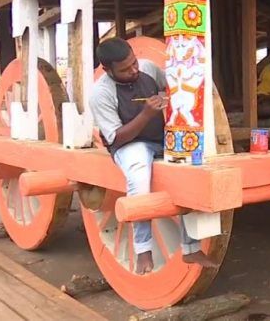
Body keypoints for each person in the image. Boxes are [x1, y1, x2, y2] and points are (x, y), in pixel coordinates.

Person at [89, 38, 217, 274]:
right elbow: (116, 138)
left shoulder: (147, 68)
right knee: (138, 177)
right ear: (107, 71)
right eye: (125, 70)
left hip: (162, 139)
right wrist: (147, 114)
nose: (134, 70)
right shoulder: (100, 93)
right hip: (130, 145)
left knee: (190, 169)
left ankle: (191, 248)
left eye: (134, 63)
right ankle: (143, 250)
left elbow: (172, 87)